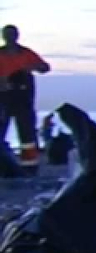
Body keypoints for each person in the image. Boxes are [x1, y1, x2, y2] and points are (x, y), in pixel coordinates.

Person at [0, 24, 51, 170]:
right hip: (3, 99)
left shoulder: (26, 53)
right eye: (7, 34)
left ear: (17, 35)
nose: (10, 37)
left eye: (12, 34)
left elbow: (45, 67)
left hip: (24, 100)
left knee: (27, 135)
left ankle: (30, 167)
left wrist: (33, 67)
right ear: (3, 36)